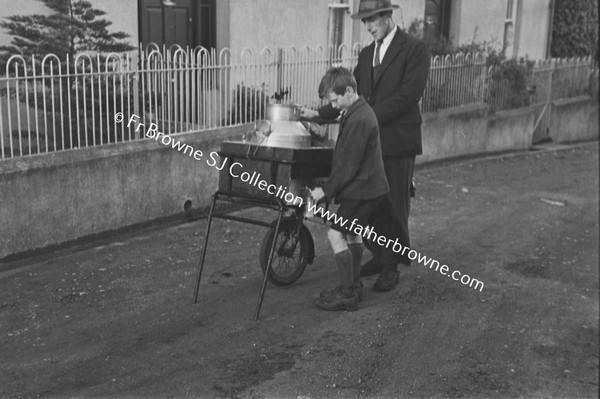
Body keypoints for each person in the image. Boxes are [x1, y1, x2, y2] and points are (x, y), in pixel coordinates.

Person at [302, 0, 430, 292]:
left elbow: (409, 95)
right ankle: (380, 255)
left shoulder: (414, 49)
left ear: (387, 15)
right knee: (368, 206)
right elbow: (351, 98)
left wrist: (369, 117)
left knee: (394, 205)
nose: (368, 27)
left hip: (397, 142)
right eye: (364, 22)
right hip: (370, 142)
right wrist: (320, 113)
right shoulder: (366, 54)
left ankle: (391, 266)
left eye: (372, 19)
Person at [310, 67, 399, 311]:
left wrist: (325, 191)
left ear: (349, 91)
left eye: (336, 99)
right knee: (352, 233)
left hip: (363, 187)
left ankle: (347, 292)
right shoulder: (356, 110)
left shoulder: (359, 118)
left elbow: (349, 164)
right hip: (367, 186)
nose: (335, 105)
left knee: (335, 234)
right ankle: (355, 284)